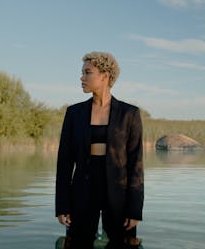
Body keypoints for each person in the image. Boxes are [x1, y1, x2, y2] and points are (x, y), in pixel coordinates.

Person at [55, 51, 144, 249]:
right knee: (78, 243)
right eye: (82, 73)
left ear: (105, 76)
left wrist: (135, 209)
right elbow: (64, 162)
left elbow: (136, 165)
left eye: (88, 72)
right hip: (82, 190)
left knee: (123, 245)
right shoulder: (74, 113)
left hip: (119, 192)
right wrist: (62, 205)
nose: (82, 78)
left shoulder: (129, 114)